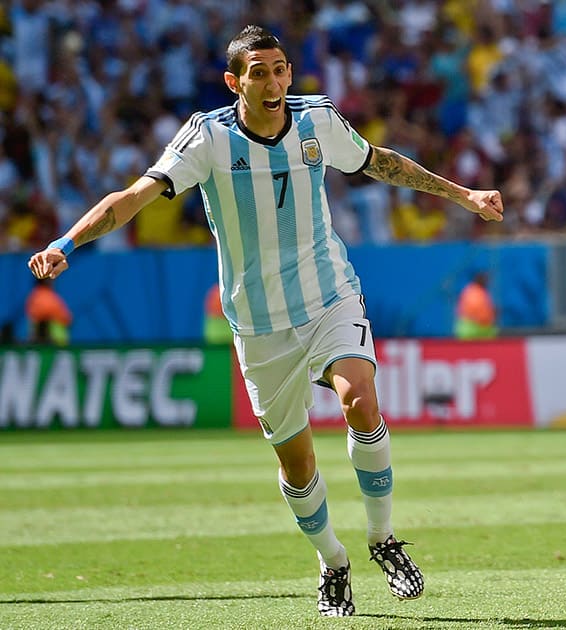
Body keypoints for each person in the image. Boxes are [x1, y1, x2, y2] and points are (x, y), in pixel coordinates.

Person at [27, 25, 503, 618]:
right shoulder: (207, 137)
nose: (275, 81)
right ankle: (333, 561)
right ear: (235, 83)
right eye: (260, 72)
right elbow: (132, 198)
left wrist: (463, 195)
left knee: (361, 400)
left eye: (281, 69)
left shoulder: (318, 120)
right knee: (297, 464)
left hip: (329, 297)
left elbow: (379, 163)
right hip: (259, 325)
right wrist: (66, 244)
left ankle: (383, 538)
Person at [24, 277, 72, 346]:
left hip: (54, 343)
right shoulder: (43, 296)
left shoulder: (37, 295)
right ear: (45, 280)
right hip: (52, 341)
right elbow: (44, 314)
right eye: (50, 278)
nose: (53, 281)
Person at [454, 271, 498, 339]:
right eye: (486, 279)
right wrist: (492, 313)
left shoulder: (475, 291)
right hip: (472, 330)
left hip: (473, 329)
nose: (488, 282)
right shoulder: (474, 292)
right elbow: (480, 314)